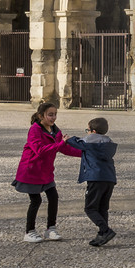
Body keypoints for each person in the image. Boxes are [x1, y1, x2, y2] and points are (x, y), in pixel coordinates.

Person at [11, 101, 82, 243]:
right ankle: (29, 231)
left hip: (46, 172)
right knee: (36, 200)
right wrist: (60, 143)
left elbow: (64, 149)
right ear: (41, 115)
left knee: (53, 197)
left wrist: (84, 153)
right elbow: (40, 151)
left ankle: (51, 228)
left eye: (55, 114)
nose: (53, 117)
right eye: (50, 115)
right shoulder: (35, 130)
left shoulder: (55, 130)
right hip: (31, 171)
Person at [65, 116, 118, 247]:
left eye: (87, 130)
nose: (86, 133)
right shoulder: (108, 143)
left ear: (93, 131)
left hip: (96, 178)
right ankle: (102, 234)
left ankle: (106, 230)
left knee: (90, 208)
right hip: (109, 179)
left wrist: (67, 139)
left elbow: (76, 142)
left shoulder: (90, 141)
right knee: (102, 208)